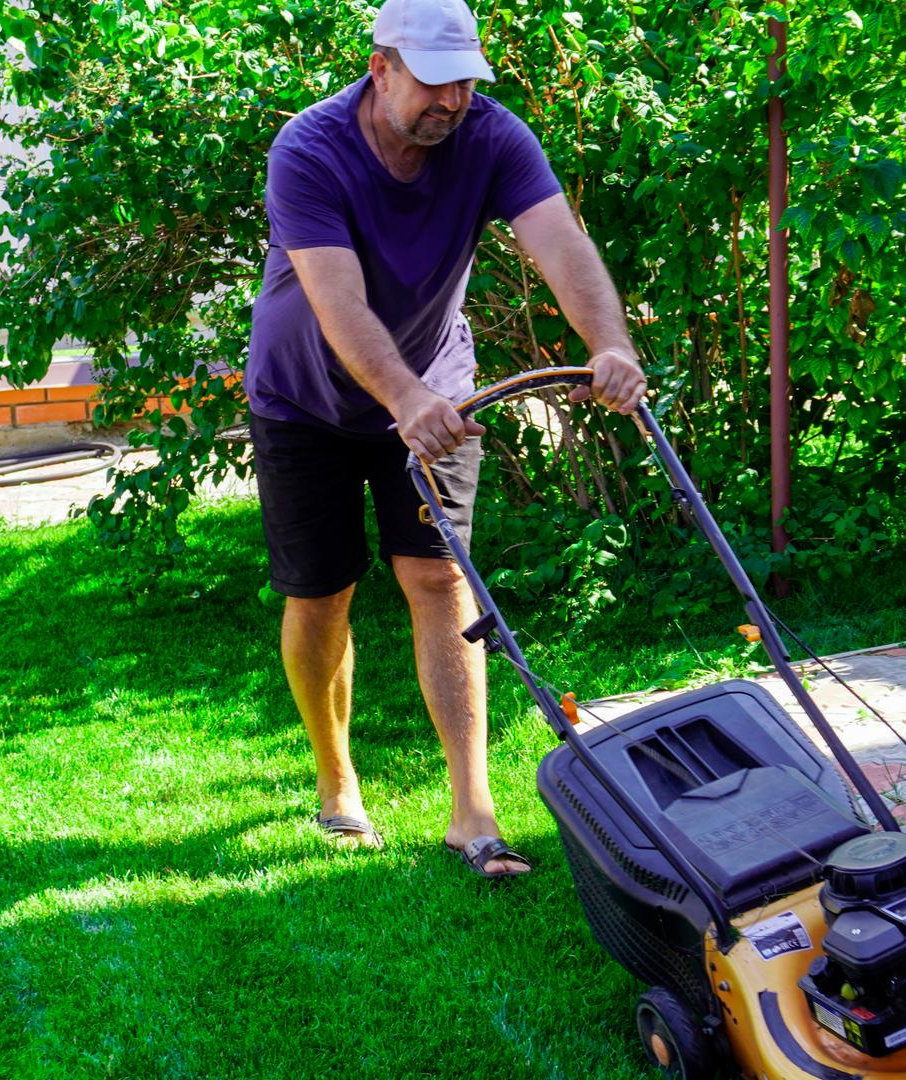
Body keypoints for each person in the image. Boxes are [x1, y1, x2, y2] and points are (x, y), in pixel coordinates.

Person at [243, 0, 647, 878]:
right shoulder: (309, 149)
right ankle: (336, 779)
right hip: (304, 400)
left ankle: (473, 810)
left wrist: (608, 342)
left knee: (438, 577)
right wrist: (402, 395)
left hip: (437, 392)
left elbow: (561, 245)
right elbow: (336, 299)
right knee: (322, 593)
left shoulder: (492, 137)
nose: (453, 100)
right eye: (434, 81)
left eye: (466, 80)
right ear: (381, 66)